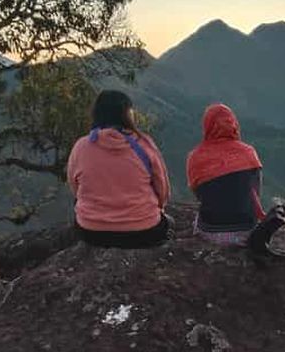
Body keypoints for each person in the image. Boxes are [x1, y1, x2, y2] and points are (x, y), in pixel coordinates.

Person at [67, 90, 172, 248]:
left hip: (92, 233)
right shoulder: (143, 144)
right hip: (144, 232)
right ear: (127, 114)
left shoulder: (81, 146)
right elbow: (162, 189)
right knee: (168, 223)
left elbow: (75, 187)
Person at [186, 103, 265, 245]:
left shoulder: (196, 157)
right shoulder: (249, 153)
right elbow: (255, 194)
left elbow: (199, 195)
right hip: (247, 230)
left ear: (207, 125)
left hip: (210, 231)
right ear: (234, 124)